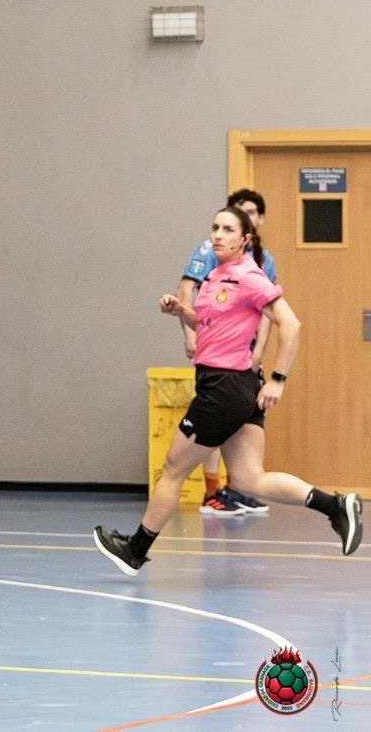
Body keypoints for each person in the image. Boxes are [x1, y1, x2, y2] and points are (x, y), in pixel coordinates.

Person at [94, 206, 360, 575]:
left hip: (224, 387)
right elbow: (211, 321)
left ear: (245, 239)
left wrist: (278, 379)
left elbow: (291, 324)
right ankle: (336, 506)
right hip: (233, 388)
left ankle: (135, 549)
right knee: (251, 479)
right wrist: (182, 312)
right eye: (215, 228)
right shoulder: (217, 276)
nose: (218, 235)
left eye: (228, 229)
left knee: (173, 468)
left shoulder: (250, 277)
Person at [176, 189, 275, 516]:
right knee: (213, 427)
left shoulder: (264, 261)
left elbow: (271, 312)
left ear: (257, 221)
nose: (221, 234)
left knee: (240, 430)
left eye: (251, 211)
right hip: (217, 360)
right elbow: (187, 289)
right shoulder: (210, 253)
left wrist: (260, 352)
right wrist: (191, 334)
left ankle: (240, 487)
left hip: (244, 361)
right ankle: (212, 491)